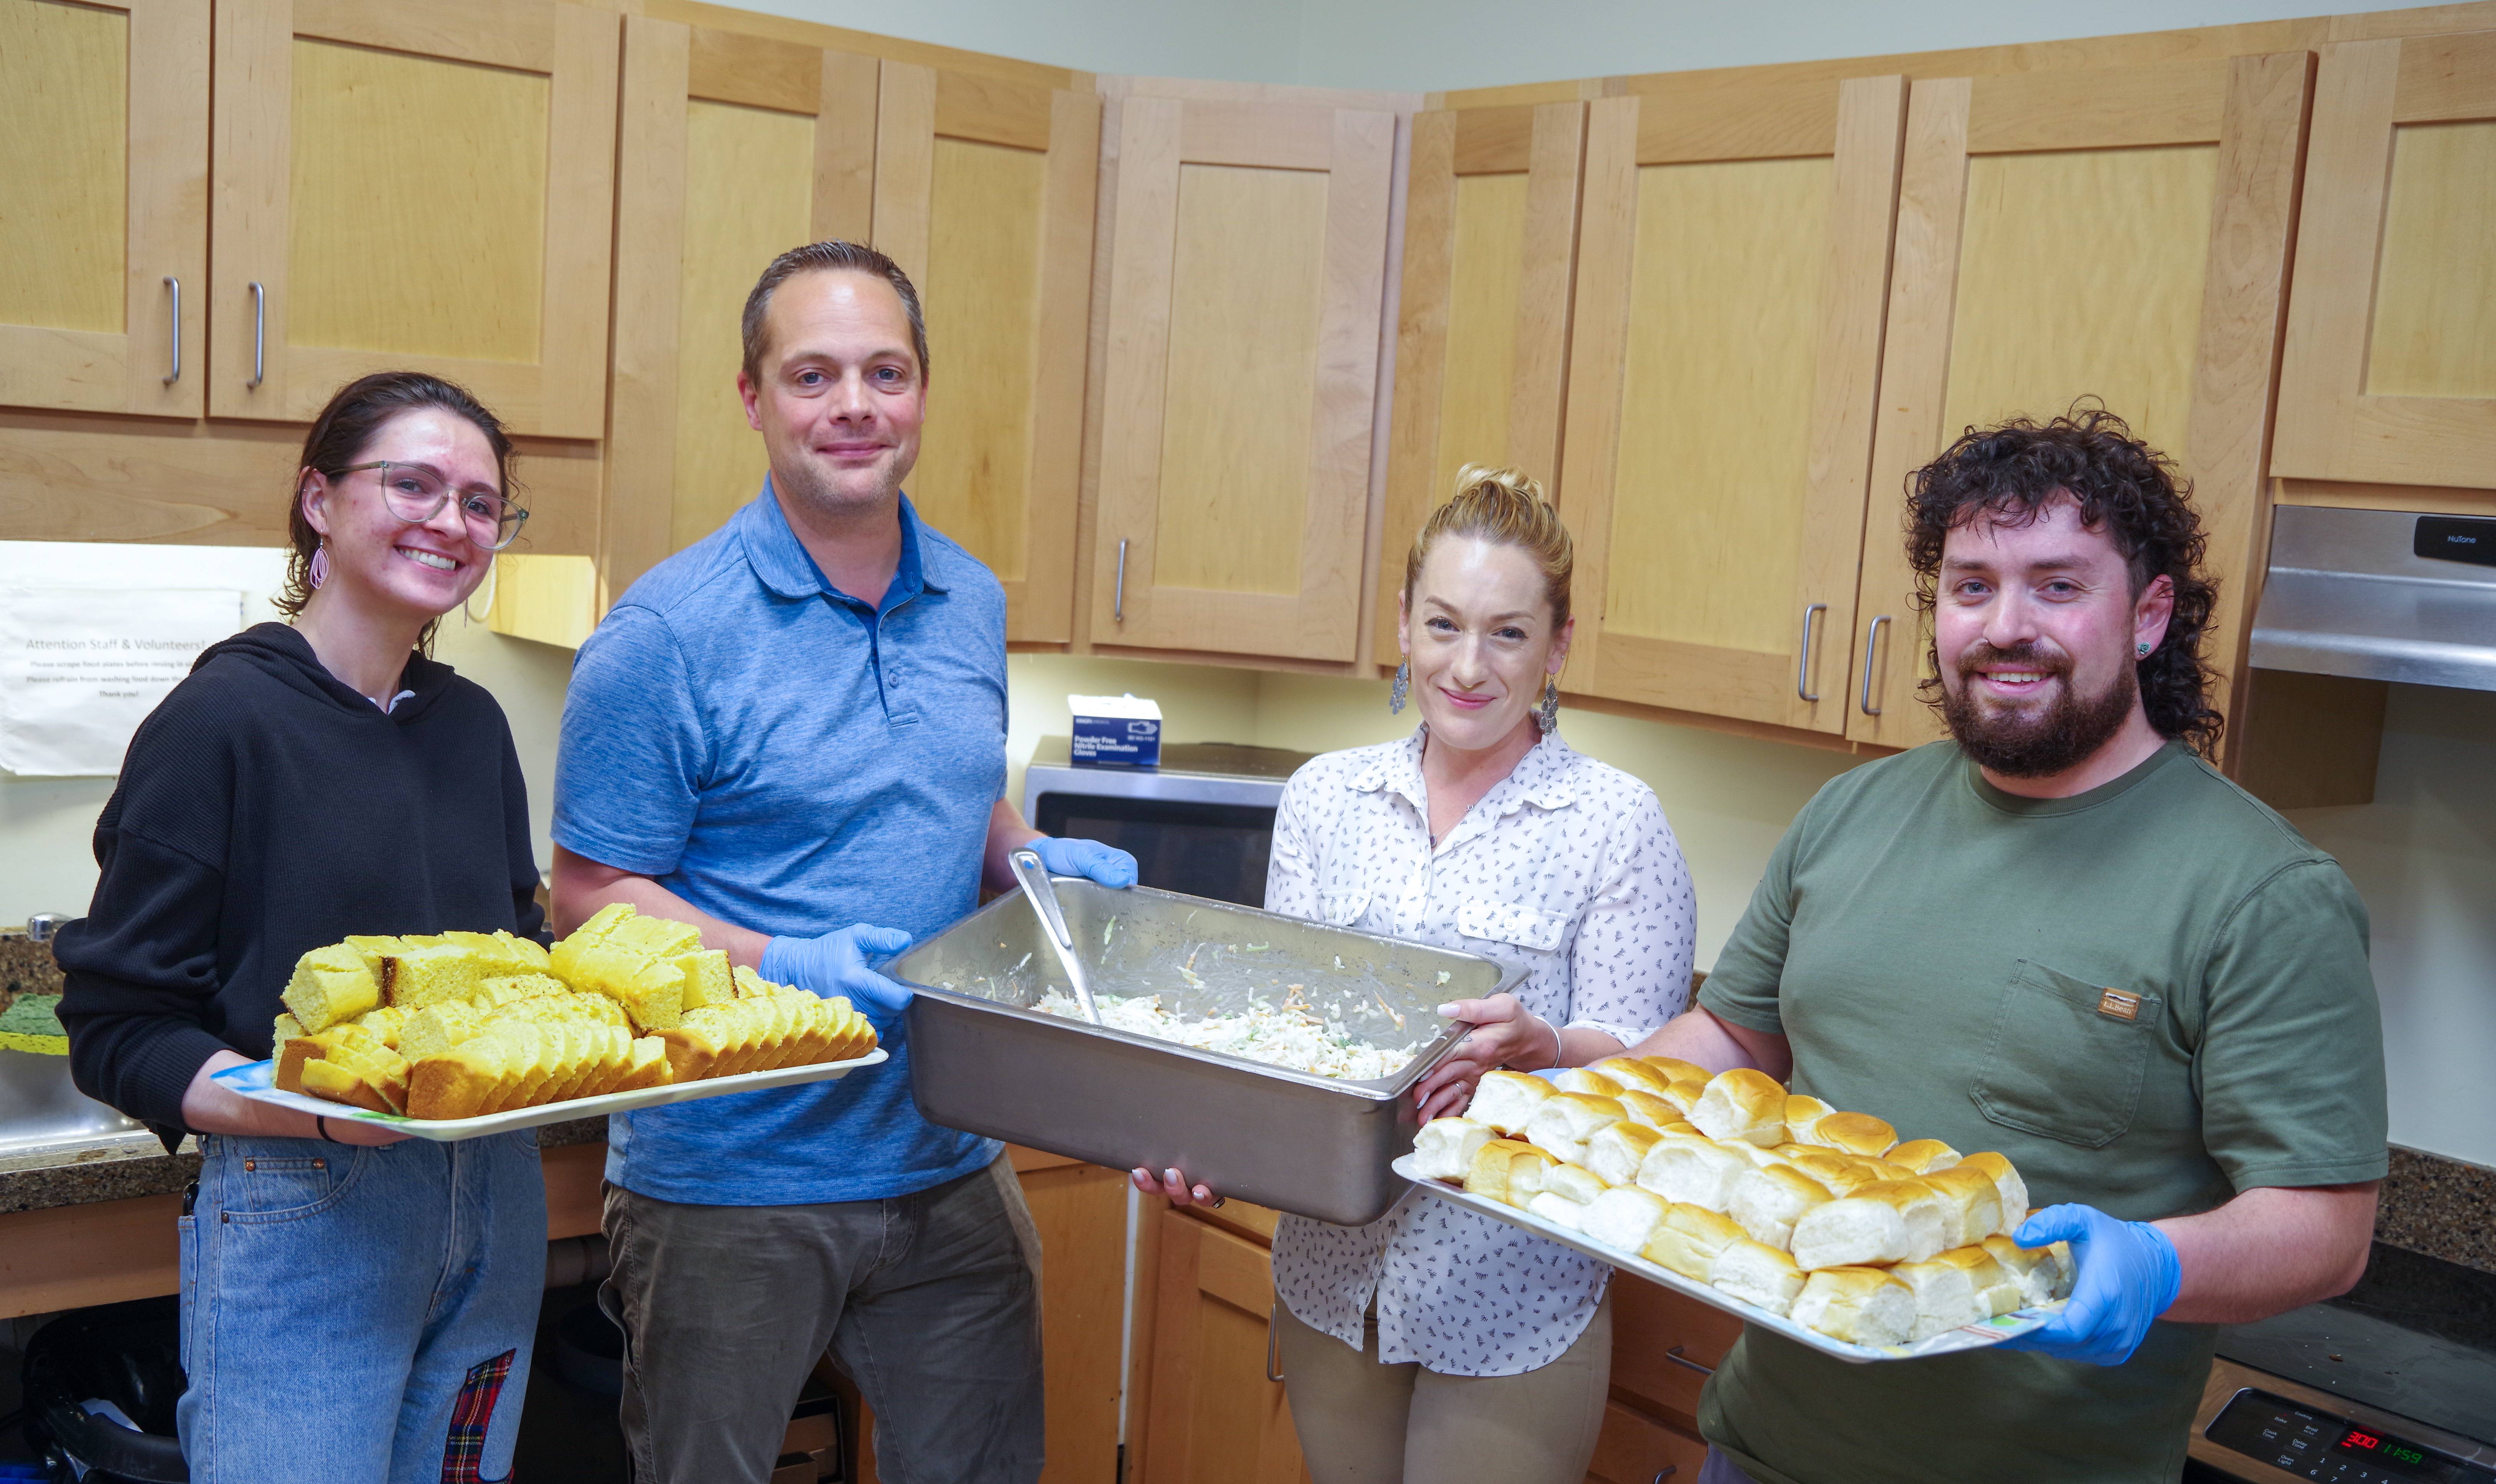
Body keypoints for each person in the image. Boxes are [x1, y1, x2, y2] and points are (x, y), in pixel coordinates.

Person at [1623, 407, 2387, 1484]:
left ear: (2150, 615)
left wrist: (2156, 1265)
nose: (2004, 626)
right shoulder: (1850, 815)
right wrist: (1571, 1097)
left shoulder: (2261, 895)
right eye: (1973, 586)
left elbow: (2326, 1226)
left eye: (2059, 585)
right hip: (1762, 1447)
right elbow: (1736, 1042)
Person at [550, 239, 1135, 1484]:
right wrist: (788, 961)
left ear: (924, 391)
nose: (855, 406)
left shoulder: (970, 599)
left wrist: (1028, 862)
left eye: (887, 371)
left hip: (947, 1152)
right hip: (729, 1175)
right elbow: (587, 904)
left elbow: (954, 798)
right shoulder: (663, 637)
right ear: (754, 398)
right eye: (813, 375)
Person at [1139, 465, 1697, 1484]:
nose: (1469, 667)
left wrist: (1550, 1050)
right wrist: (1197, 1139)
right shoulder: (1324, 799)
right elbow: (1278, 1039)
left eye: (1508, 633)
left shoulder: (1618, 825)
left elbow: (1654, 1080)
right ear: (1403, 624)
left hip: (1513, 1292)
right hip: (1330, 1276)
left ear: (1558, 645)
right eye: (1443, 625)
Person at [53, 372, 549, 1484]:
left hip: (492, 1202)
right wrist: (324, 1118)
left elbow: (522, 967)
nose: (451, 521)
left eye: (480, 503)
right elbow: (117, 1027)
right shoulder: (220, 722)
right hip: (306, 1213)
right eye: (412, 483)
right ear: (318, 499)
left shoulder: (473, 727)